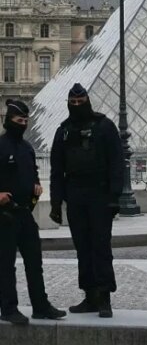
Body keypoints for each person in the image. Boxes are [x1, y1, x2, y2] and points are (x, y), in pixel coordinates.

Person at [49, 83, 124, 318]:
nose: (77, 106)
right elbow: (56, 170)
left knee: (101, 246)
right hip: (76, 195)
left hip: (100, 195)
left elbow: (117, 163)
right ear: (69, 104)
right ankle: (90, 295)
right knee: (82, 247)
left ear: (88, 101)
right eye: (73, 103)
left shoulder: (105, 126)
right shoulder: (63, 131)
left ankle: (104, 297)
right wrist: (55, 204)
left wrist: (114, 198)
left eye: (81, 103)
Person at [0, 100, 66, 325]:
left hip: (25, 212)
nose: (23, 124)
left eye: (26, 121)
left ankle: (40, 305)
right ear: (8, 121)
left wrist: (37, 184)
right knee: (5, 265)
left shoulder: (27, 147)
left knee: (34, 262)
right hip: (4, 214)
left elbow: (33, 172)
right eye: (19, 121)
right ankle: (8, 308)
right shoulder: (0, 146)